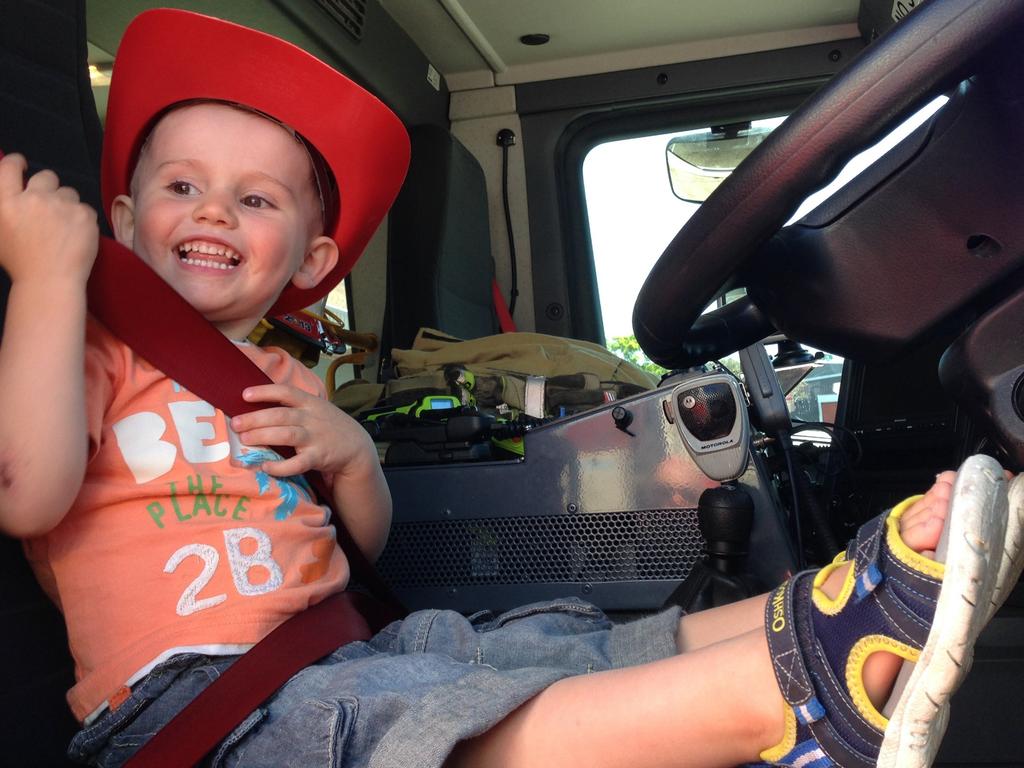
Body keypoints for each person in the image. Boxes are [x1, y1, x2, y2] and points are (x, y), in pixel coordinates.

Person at [0, 9, 1018, 768]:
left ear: (307, 257)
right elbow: (29, 492)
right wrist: (51, 278)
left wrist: (350, 455)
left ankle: (829, 599)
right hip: (204, 708)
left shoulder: (277, 375)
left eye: (253, 197)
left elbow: (370, 542)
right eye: (182, 185)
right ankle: (792, 698)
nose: (213, 209)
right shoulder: (88, 353)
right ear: (123, 219)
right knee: (436, 727)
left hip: (351, 650)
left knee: (552, 638)